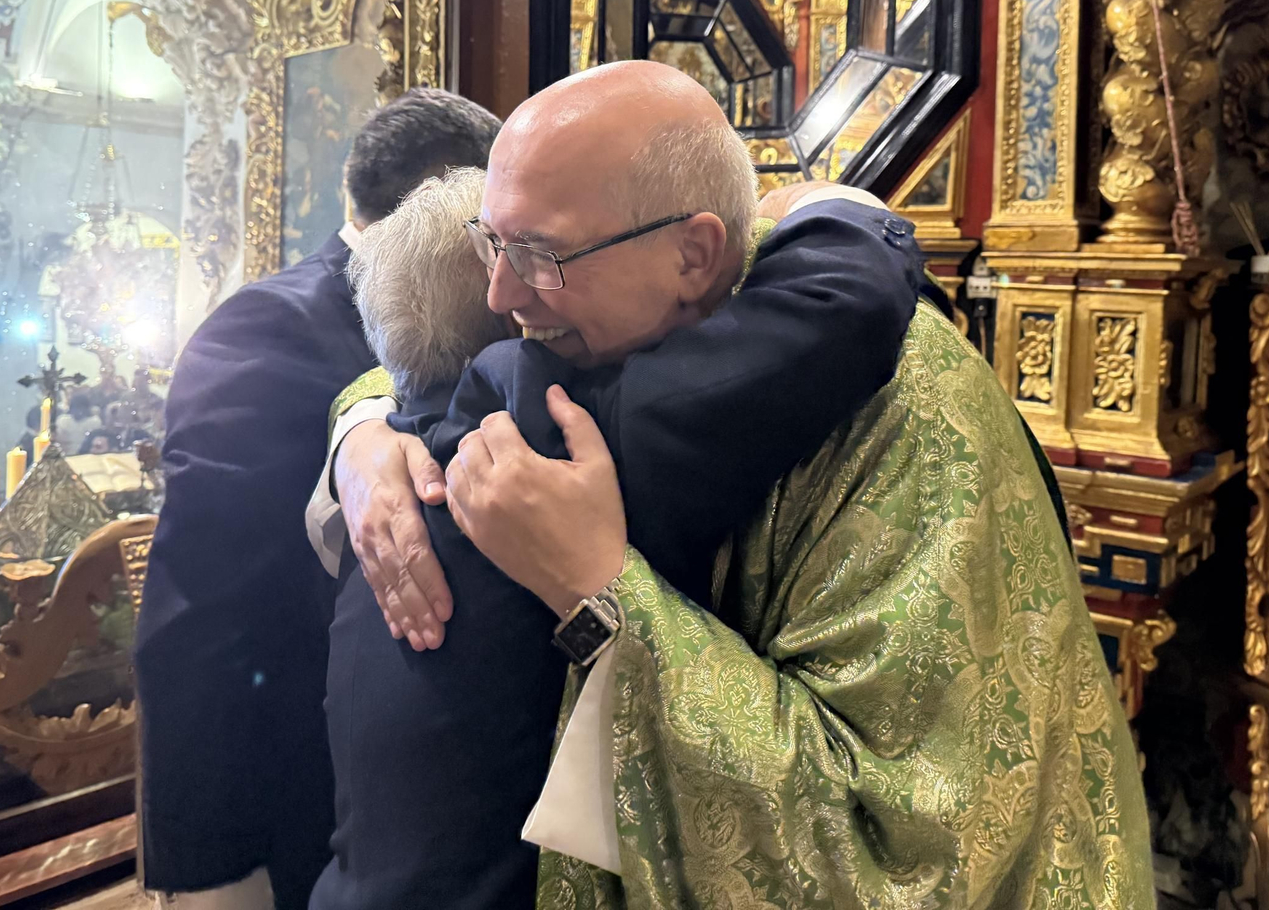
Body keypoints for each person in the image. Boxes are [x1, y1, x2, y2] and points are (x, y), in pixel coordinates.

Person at [331, 61, 1152, 909]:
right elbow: (446, 376)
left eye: (538, 256)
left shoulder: (902, 411)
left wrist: (601, 594)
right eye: (490, 243)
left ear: (695, 254)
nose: (502, 295)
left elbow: (903, 855)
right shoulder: (612, 344)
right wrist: (361, 431)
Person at [314, 159, 931, 910]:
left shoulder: (389, 481)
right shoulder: (554, 432)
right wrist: (828, 199)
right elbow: (846, 303)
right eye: (516, 258)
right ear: (516, 316)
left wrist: (357, 425)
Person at [134, 89, 501, 910]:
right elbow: (203, 606)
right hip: (286, 792)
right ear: (444, 198)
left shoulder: (471, 312)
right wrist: (214, 866)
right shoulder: (267, 327)